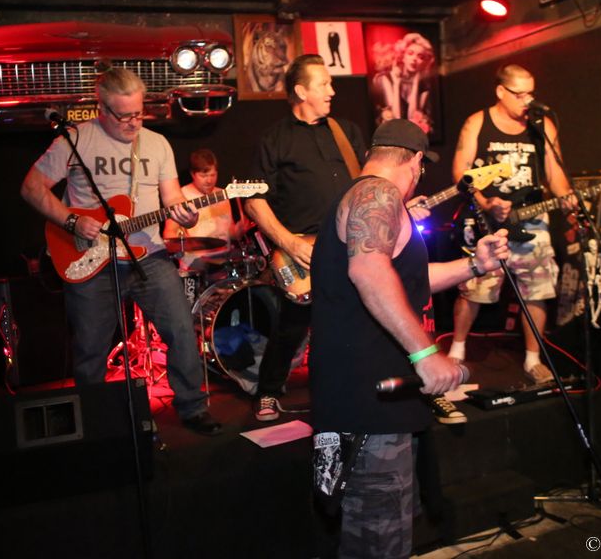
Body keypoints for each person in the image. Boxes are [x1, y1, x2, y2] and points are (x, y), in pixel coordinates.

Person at [310, 119, 510, 558]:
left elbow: (407, 277)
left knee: (379, 537)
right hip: (368, 406)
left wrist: (474, 266)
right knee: (378, 544)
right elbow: (369, 271)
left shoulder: (366, 196)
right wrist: (426, 353)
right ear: (416, 161)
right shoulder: (377, 193)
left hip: (374, 402)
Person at [20, 67, 222, 435]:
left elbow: (172, 199)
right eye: (124, 115)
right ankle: (93, 424)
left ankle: (193, 407)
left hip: (148, 254)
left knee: (181, 328)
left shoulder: (157, 144)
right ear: (102, 108)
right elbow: (32, 188)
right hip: (90, 258)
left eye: (139, 113)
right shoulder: (76, 140)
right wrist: (71, 221)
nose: (133, 123)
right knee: (91, 348)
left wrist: (187, 215)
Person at [244, 53, 367, 422]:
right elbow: (254, 201)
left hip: (349, 245)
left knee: (356, 322)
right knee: (292, 327)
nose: (332, 91)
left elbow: (368, 184)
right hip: (303, 252)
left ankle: (351, 389)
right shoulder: (275, 139)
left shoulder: (347, 132)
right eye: (324, 84)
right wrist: (288, 243)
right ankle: (268, 391)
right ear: (301, 91)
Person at [448, 63, 576, 384]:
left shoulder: (541, 124)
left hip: (532, 219)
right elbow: (460, 173)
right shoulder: (478, 122)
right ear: (500, 91)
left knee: (537, 289)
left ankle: (533, 359)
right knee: (474, 289)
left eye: (530, 93)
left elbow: (555, 173)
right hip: (488, 222)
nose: (526, 101)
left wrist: (567, 197)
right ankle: (456, 352)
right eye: (519, 94)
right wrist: (486, 203)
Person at [162, 148, 248, 274]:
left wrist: (238, 230)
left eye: (213, 175)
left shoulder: (222, 194)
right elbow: (169, 233)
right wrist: (184, 245)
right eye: (203, 176)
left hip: (225, 255)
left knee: (249, 261)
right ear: (193, 174)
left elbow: (229, 233)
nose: (209, 180)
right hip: (198, 259)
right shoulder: (179, 197)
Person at [373, 32, 436, 135]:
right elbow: (396, 118)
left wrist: (415, 82)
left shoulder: (423, 86)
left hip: (411, 138)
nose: (414, 59)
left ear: (425, 62)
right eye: (410, 53)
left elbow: (413, 120)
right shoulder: (386, 78)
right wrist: (397, 84)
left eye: (420, 57)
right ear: (402, 56)